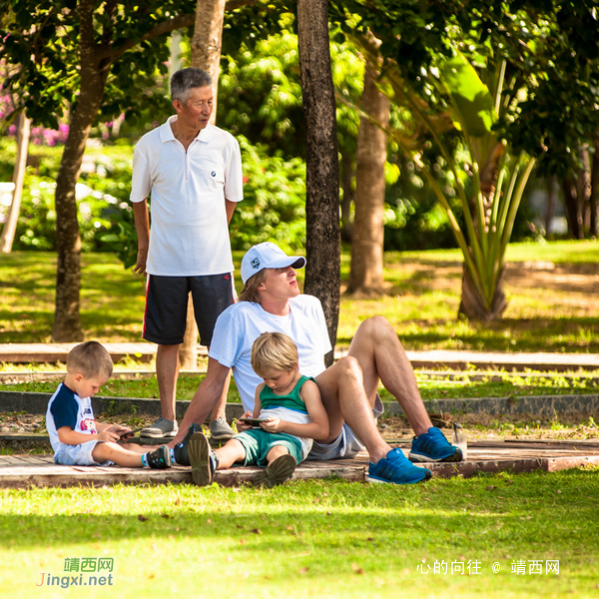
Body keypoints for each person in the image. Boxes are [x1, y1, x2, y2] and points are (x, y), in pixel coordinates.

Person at [170, 242, 462, 485]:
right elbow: (213, 383)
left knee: (377, 326)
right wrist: (178, 440)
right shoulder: (237, 317)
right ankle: (380, 458)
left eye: (293, 266)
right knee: (347, 366)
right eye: (281, 269)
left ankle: (425, 435)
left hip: (335, 423)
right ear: (259, 284)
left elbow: (322, 373)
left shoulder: (309, 305)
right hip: (295, 434)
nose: (292, 273)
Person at [130, 67, 243, 442]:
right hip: (165, 264)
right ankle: (166, 418)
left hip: (215, 264)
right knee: (168, 340)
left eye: (211, 101)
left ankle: (220, 417)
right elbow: (139, 200)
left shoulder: (225, 144)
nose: (207, 109)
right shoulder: (149, 145)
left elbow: (231, 199)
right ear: (178, 104)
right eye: (199, 103)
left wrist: (212, 235)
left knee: (221, 340)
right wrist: (145, 245)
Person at [188, 331, 329, 487]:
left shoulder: (306, 388)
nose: (270, 384)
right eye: (264, 378)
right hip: (258, 436)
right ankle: (210, 462)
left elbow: (321, 430)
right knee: (234, 445)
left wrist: (283, 426)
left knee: (279, 451)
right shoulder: (262, 389)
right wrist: (245, 426)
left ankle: (274, 472)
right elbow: (257, 421)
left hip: (289, 439)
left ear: (294, 366)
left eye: (275, 378)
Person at [46, 341, 171, 469]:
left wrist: (109, 429)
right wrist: (97, 437)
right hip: (69, 451)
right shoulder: (64, 400)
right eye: (94, 386)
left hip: (86, 446)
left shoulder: (81, 393)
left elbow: (85, 423)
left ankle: (169, 454)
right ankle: (149, 460)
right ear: (78, 378)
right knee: (109, 449)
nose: (96, 391)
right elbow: (65, 436)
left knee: (127, 447)